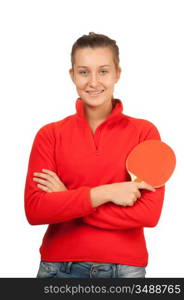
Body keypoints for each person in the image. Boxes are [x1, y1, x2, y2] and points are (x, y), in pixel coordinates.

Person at [24, 32, 165, 278]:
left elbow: (148, 214)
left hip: (125, 270)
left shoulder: (145, 133)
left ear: (117, 73)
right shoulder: (50, 135)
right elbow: (36, 210)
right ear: (72, 75)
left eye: (103, 71)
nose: (93, 81)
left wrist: (67, 199)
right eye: (83, 71)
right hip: (59, 268)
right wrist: (107, 193)